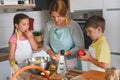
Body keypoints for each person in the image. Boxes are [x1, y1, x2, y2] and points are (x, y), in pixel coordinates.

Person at [44, 0, 84, 70]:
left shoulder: (73, 25)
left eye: (59, 16)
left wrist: (63, 54)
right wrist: (52, 54)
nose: (56, 20)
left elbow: (80, 47)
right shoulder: (49, 25)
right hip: (55, 64)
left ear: (64, 13)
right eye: (53, 17)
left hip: (72, 64)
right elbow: (45, 44)